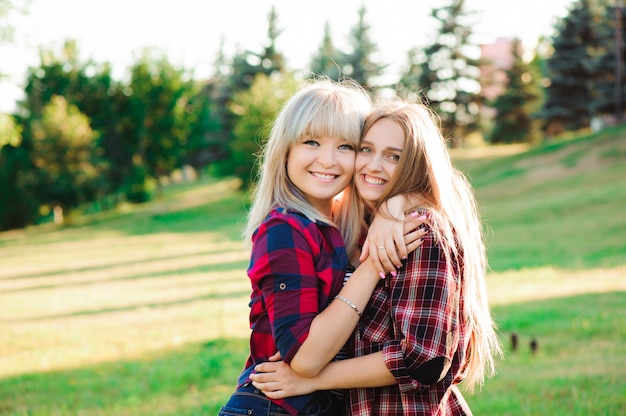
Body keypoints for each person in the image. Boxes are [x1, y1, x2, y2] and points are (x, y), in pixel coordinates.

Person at [250, 99, 503, 415]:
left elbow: (425, 359)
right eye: (365, 150)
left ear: (415, 163)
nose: (372, 165)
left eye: (394, 156)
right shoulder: (365, 228)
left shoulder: (418, 232)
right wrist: (390, 209)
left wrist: (314, 380)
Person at [219, 81, 426, 416]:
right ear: (286, 149)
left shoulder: (350, 220)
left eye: (345, 146)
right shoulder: (284, 229)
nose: (328, 160)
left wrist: (395, 207)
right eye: (311, 142)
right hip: (275, 406)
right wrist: (373, 264)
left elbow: (430, 188)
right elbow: (305, 359)